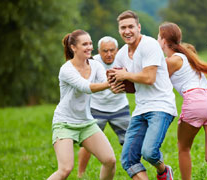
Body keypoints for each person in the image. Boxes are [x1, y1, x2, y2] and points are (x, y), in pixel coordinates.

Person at [158, 22, 207, 180]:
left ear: (163, 40)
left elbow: (150, 78)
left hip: (195, 100)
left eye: (158, 36)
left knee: (183, 148)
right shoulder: (187, 57)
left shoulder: (171, 61)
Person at [108, 10, 177, 180]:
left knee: (149, 152)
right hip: (141, 108)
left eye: (131, 26)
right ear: (119, 31)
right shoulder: (122, 54)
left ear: (138, 27)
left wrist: (124, 75)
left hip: (161, 106)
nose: (127, 31)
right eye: (123, 27)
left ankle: (164, 172)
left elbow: (149, 78)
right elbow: (132, 87)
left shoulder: (149, 44)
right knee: (128, 160)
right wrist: (118, 85)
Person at [47, 29, 117, 180]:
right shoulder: (66, 69)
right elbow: (87, 87)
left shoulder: (95, 65)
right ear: (73, 47)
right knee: (65, 169)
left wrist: (120, 78)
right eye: (84, 44)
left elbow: (105, 82)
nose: (89, 47)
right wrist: (109, 84)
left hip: (85, 123)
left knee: (110, 160)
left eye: (90, 43)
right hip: (64, 123)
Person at [77, 36, 131, 178]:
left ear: (117, 50)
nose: (109, 54)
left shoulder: (123, 60)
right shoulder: (92, 62)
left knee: (131, 140)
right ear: (99, 52)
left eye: (112, 50)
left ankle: (134, 169)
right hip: (96, 108)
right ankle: (80, 174)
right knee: (88, 142)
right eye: (105, 51)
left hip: (120, 107)